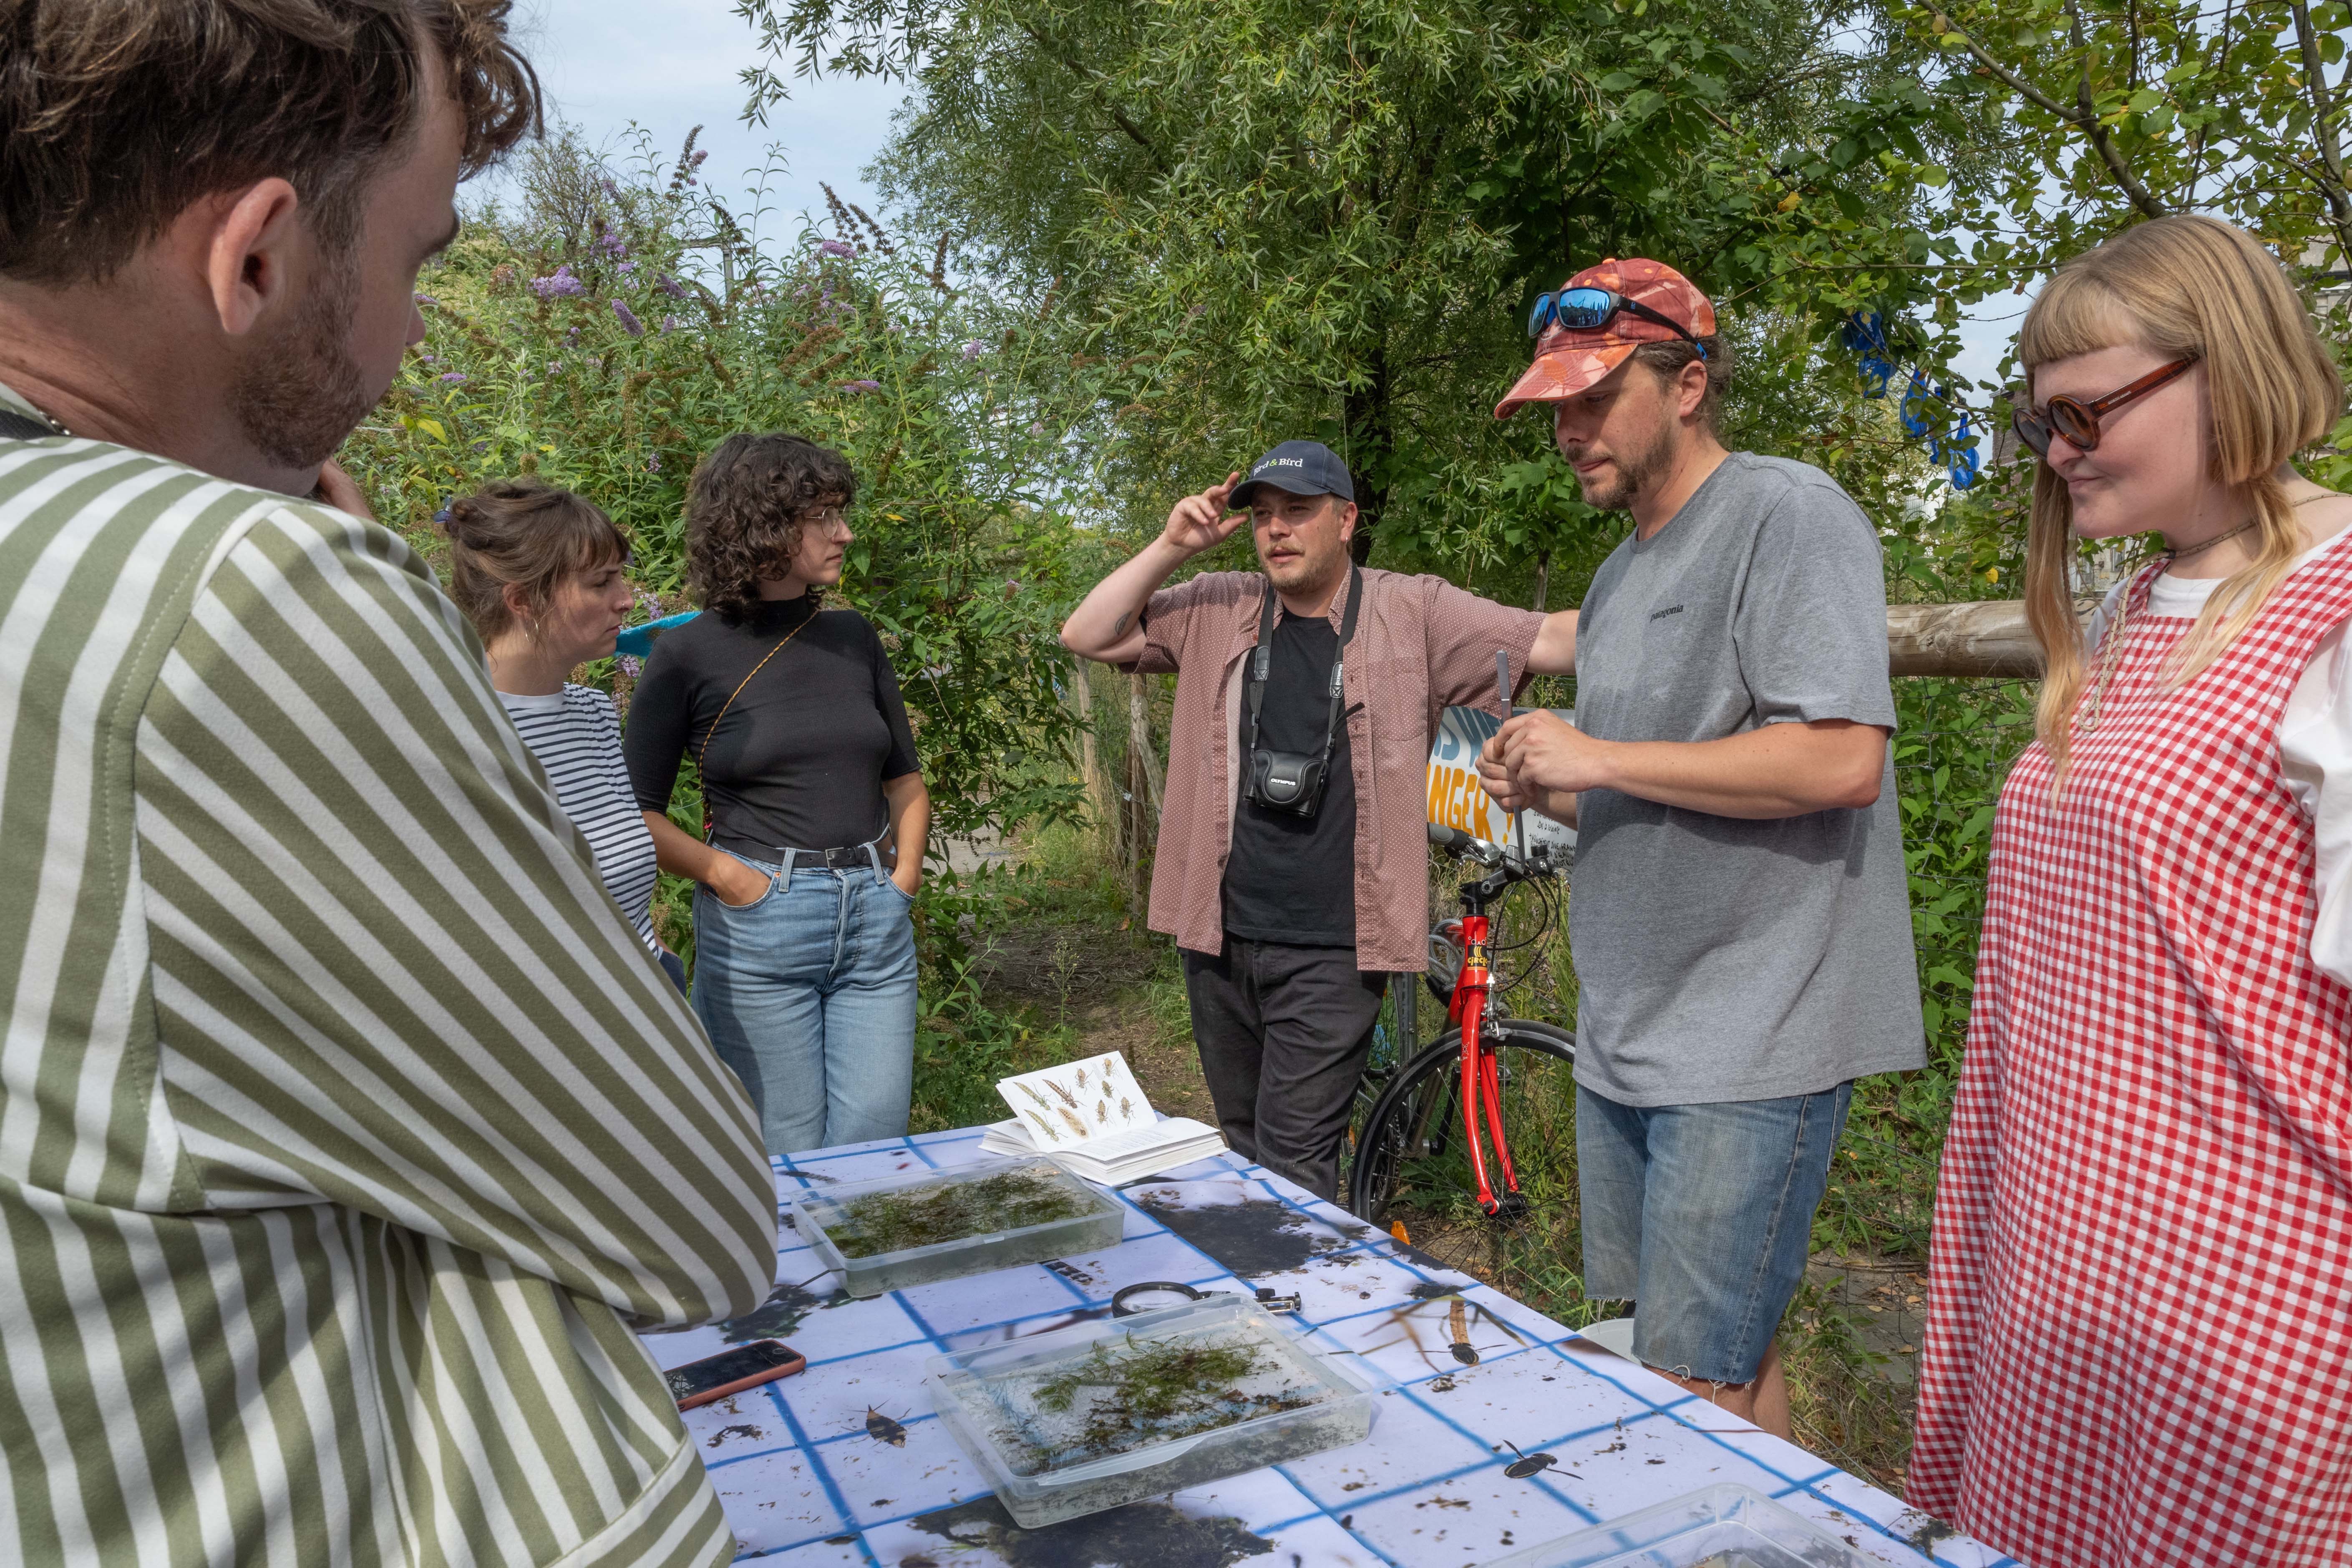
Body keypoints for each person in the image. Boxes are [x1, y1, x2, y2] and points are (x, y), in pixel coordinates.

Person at [0, 6, 777, 1566]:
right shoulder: (238, 595)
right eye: (416, 261)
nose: (414, 330)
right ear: (259, 258)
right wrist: (305, 566)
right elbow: (691, 1213)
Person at [1909, 216, 2352, 1564]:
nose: (2054, 449)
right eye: (2038, 416)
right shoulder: (2124, 610)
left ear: (2222, 367)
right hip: (2065, 1251)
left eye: (2085, 408)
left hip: (2246, 1291)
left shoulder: (2339, 607)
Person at [1474, 258, 1922, 1440]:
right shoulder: (1617, 576)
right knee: (1708, 1359)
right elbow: (1655, 788)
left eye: (1593, 397)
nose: (1568, 432)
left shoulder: (1786, 511)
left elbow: (1837, 759)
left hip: (1749, 1033)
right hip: (1627, 1029)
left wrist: (1599, 757)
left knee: (1686, 1391)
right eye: (1555, 408)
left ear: (1688, 383)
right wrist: (1546, 782)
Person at [1060, 440, 1577, 1201]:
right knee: (1242, 1144)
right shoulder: (1218, 603)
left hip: (1337, 946)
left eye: (1297, 512)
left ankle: (1299, 1303)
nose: (1276, 529)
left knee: (1293, 1162)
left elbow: (1552, 638)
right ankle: (1273, 1306)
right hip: (1219, 937)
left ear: (1345, 519)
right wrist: (1172, 545)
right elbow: (1087, 633)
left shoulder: (1414, 609)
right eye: (1263, 515)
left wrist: (1681, 607)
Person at [626, 433, 930, 1156]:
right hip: (759, 924)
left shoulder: (853, 637)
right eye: (823, 515)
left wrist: (903, 880)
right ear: (761, 522)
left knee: (873, 1148)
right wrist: (729, 877)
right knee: (781, 1154)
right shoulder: (684, 653)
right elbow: (636, 811)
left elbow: (904, 780)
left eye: (841, 512)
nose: (845, 532)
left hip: (875, 922)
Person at [439, 478, 690, 991]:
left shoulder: (593, 711)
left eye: (621, 579)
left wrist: (655, 953)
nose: (625, 601)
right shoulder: (457, 727)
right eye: (601, 583)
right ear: (523, 600)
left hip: (649, 992)